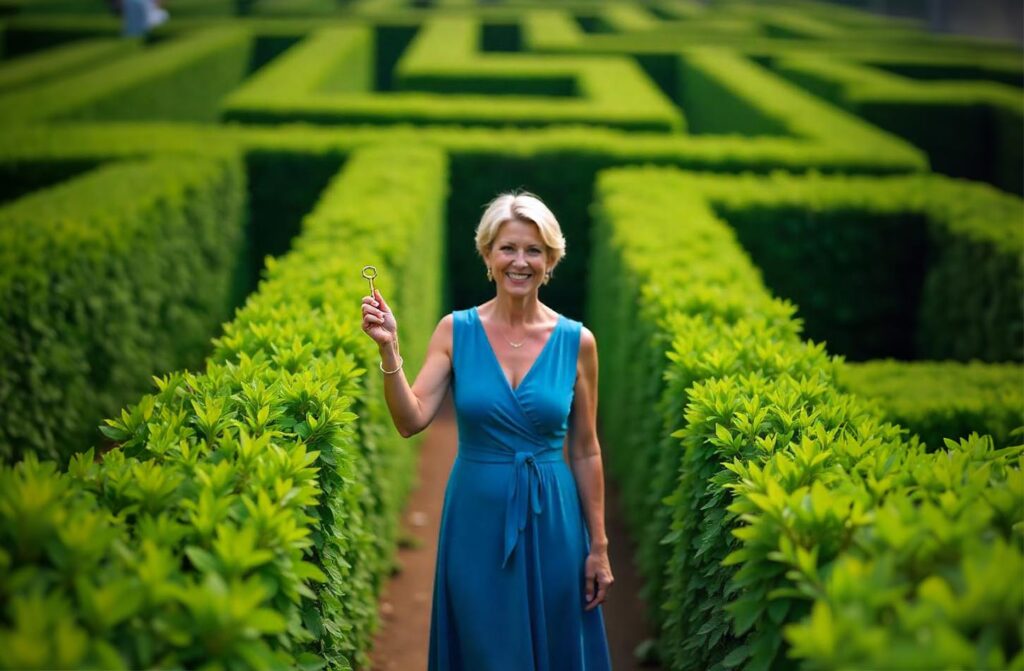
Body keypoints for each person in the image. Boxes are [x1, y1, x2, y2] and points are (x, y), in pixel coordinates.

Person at [361, 191, 614, 669]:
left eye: (533, 250)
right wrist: (389, 350)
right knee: (483, 647)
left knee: (556, 644)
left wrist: (598, 548)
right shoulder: (454, 331)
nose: (520, 262)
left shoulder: (578, 342)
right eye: (508, 248)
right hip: (475, 520)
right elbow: (410, 420)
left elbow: (585, 450)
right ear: (487, 255)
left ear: (551, 259)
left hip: (555, 522)